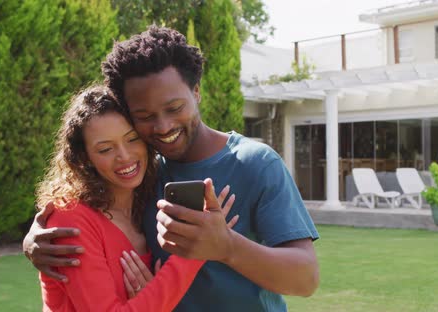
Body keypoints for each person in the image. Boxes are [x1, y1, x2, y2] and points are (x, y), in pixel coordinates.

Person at [24, 26, 320, 311]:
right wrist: (35, 241)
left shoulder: (255, 163)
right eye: (144, 115)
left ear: (197, 92)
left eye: (175, 108)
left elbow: (306, 279)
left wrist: (227, 246)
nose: (163, 126)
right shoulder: (141, 174)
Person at [33, 85, 237, 311]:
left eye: (132, 139)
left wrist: (150, 299)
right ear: (84, 158)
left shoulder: (147, 204)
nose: (125, 156)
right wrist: (195, 251)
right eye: (105, 149)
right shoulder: (71, 217)